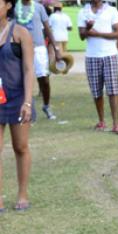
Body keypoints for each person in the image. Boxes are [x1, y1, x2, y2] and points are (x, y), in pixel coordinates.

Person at [0, 0, 34, 212]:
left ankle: (22, 193)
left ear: (8, 6)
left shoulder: (20, 32)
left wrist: (27, 102)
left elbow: (29, 69)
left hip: (18, 97)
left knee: (20, 146)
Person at [78, 0, 118, 134]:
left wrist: (97, 33)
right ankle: (101, 121)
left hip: (109, 55)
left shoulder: (111, 10)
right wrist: (87, 29)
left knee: (113, 90)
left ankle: (116, 124)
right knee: (96, 91)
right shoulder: (83, 12)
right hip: (92, 56)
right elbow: (81, 36)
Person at [14, 0, 61, 120]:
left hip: (39, 47)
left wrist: (56, 49)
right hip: (20, 48)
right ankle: (24, 108)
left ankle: (46, 106)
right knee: (21, 79)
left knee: (44, 79)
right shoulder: (15, 7)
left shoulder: (39, 7)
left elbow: (47, 28)